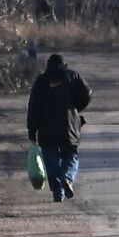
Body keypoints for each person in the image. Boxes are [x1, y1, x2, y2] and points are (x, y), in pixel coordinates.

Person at [26, 54, 92, 203]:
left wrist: (32, 129)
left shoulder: (42, 81)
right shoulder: (72, 77)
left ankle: (58, 192)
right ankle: (67, 178)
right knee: (71, 156)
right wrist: (75, 108)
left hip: (46, 128)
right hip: (69, 127)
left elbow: (34, 107)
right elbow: (87, 93)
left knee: (51, 159)